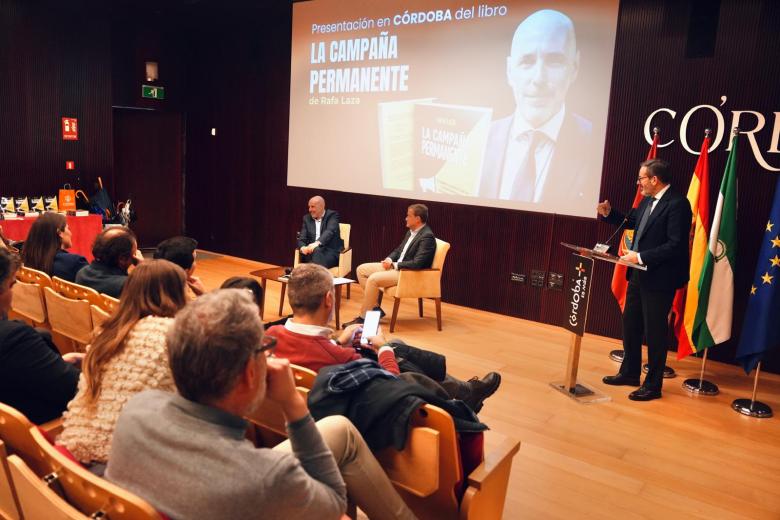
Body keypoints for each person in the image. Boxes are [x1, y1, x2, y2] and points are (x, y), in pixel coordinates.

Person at [105, 289, 416, 520]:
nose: (270, 355)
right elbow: (334, 503)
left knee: (339, 430)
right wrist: (293, 404)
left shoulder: (136, 409)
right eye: (264, 348)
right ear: (249, 373)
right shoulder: (268, 478)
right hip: (234, 490)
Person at [269, 263, 501, 413]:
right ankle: (465, 394)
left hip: (297, 410)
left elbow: (309, 351)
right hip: (354, 412)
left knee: (398, 347)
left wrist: (340, 340)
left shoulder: (269, 338)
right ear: (329, 300)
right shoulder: (340, 358)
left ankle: (465, 390)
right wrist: (383, 349)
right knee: (400, 360)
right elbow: (390, 384)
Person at [58, 260, 188, 466]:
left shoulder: (108, 331)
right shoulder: (174, 333)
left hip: (79, 443)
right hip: (126, 457)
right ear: (177, 294)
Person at [480, 9, 593, 213]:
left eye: (554, 61)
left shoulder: (593, 145)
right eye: (527, 61)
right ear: (509, 70)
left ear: (574, 67)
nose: (539, 78)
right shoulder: (479, 140)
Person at [597, 159, 692, 401]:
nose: (638, 183)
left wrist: (639, 256)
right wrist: (610, 214)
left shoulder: (678, 204)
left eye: (641, 178)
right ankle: (629, 373)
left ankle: (653, 385)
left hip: (660, 278)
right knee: (631, 325)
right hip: (638, 274)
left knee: (655, 332)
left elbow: (676, 245)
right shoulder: (648, 200)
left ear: (654, 180)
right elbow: (633, 222)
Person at [0, 248, 82, 424]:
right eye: (11, 285)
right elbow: (76, 389)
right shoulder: (15, 337)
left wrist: (54, 364)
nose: (12, 294)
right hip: (47, 428)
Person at [344, 203, 436, 326]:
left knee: (373, 279)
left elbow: (417, 263)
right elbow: (399, 250)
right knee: (361, 270)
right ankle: (375, 309)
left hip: (407, 273)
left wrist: (394, 265)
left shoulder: (427, 237)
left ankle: (364, 318)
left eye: (408, 216)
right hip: (397, 267)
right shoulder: (411, 231)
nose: (406, 218)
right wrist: (389, 259)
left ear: (418, 219)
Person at [76, 227, 143, 297]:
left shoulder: (81, 274)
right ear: (122, 259)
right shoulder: (127, 286)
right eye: (135, 253)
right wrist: (142, 269)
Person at [20, 212, 87, 282]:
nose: (71, 233)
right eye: (68, 228)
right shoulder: (75, 263)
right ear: (59, 233)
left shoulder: (27, 260)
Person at [297, 195, 343, 269]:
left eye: (312, 206)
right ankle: (319, 277)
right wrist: (303, 248)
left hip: (329, 253)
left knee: (316, 252)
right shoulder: (307, 218)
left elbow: (329, 231)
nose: (309, 209)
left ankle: (312, 274)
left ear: (321, 206)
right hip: (310, 253)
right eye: (309, 207)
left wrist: (316, 243)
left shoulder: (332, 215)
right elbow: (302, 239)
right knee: (315, 254)